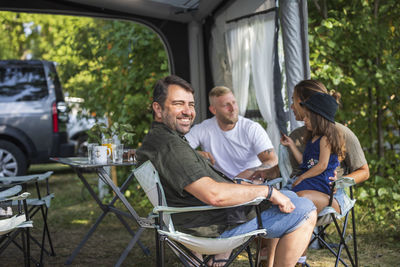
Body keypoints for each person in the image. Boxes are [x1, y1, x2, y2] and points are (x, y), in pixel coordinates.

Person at [137, 75, 317, 267]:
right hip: (213, 225)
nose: (188, 111)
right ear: (158, 108)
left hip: (207, 216)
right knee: (306, 210)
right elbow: (214, 195)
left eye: (191, 104)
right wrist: (267, 191)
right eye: (178, 104)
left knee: (292, 197)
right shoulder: (170, 145)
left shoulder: (161, 139)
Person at [252, 79, 370, 267]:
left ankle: (288, 261)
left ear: (307, 104)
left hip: (329, 193)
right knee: (281, 203)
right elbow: (295, 168)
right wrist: (263, 175)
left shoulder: (339, 132)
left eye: (294, 100)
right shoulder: (300, 134)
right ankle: (273, 260)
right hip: (298, 189)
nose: (291, 106)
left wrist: (341, 180)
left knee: (293, 206)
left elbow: (364, 171)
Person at [185, 86, 278, 179]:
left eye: (234, 102)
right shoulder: (203, 128)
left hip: (251, 185)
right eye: (226, 105)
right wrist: (196, 154)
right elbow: (178, 148)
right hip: (222, 187)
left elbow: (272, 160)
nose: (233, 108)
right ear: (213, 110)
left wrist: (247, 174)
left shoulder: (252, 128)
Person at [281, 91, 345, 198]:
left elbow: (322, 166)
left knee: (293, 193)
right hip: (311, 178)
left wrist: (301, 178)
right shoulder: (312, 139)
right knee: (288, 192)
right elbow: (304, 161)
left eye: (308, 117)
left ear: (319, 119)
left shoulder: (325, 139)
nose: (304, 120)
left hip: (321, 180)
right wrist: (291, 144)